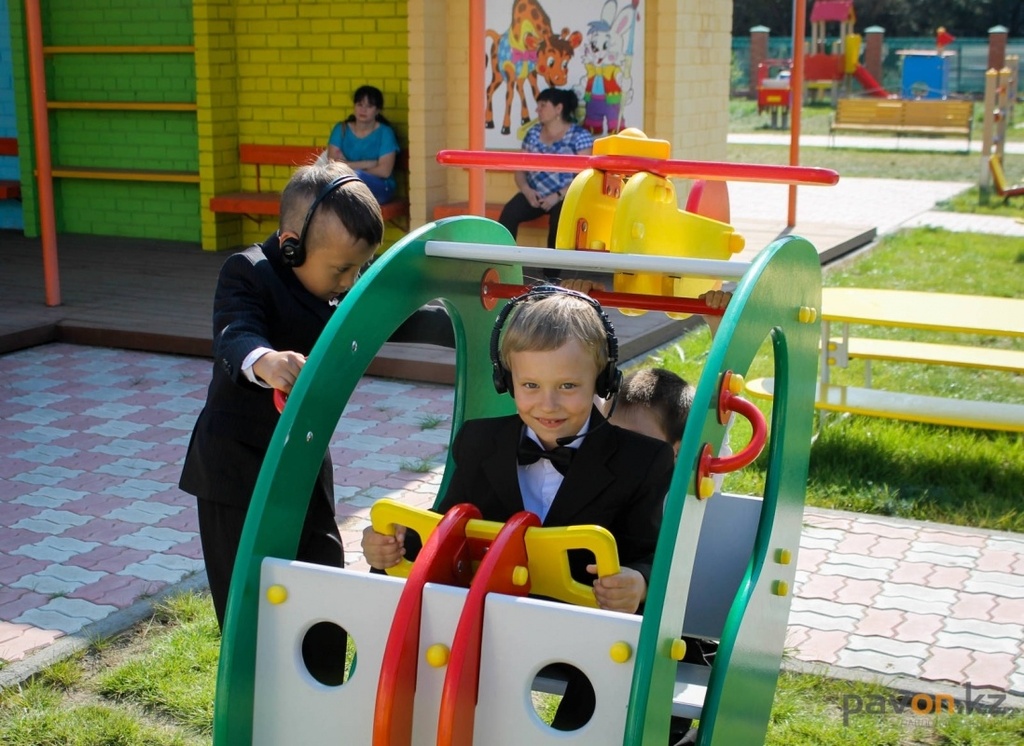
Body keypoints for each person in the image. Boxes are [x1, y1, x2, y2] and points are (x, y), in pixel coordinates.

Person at [363, 285, 674, 730]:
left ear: (604, 381)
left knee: (626, 644)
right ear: (505, 380)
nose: (547, 404)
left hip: (584, 633)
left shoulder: (642, 460)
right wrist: (391, 545)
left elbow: (651, 548)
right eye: (530, 385)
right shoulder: (479, 440)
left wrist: (637, 582)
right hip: (489, 621)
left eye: (568, 386)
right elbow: (444, 526)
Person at [180, 160, 453, 646]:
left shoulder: (337, 287)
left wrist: (484, 324)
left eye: (360, 268)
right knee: (251, 602)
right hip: (233, 471)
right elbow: (233, 333)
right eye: (341, 269)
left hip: (303, 461)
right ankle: (258, 702)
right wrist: (264, 360)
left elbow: (403, 316)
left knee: (322, 578)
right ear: (291, 245)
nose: (351, 283)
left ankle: (321, 681)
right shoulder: (249, 273)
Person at [498, 88, 593, 278]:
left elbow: (585, 176)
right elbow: (519, 170)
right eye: (538, 106)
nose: (538, 110)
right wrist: (526, 190)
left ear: (558, 109)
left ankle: (551, 277)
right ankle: (503, 268)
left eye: (543, 106)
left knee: (558, 221)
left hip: (565, 195)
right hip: (535, 193)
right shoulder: (533, 134)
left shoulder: (579, 136)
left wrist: (557, 196)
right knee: (509, 213)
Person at [327, 85, 399, 205]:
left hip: (380, 187)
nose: (363, 110)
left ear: (377, 110)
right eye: (359, 105)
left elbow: (384, 171)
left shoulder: (385, 132)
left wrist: (348, 166)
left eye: (369, 106)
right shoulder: (341, 129)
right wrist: (368, 163)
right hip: (346, 187)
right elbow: (333, 165)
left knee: (354, 177)